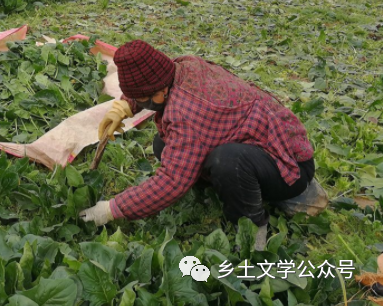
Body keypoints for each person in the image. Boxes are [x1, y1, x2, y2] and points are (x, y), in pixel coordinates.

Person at [79, 40, 318, 251]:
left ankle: (254, 232)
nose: (142, 103)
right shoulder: (184, 66)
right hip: (259, 142)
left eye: (142, 99)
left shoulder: (186, 114)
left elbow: (171, 182)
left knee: (228, 161)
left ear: (161, 92)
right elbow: (150, 84)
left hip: (290, 165)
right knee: (163, 144)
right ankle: (241, 187)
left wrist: (112, 209)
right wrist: (126, 106)